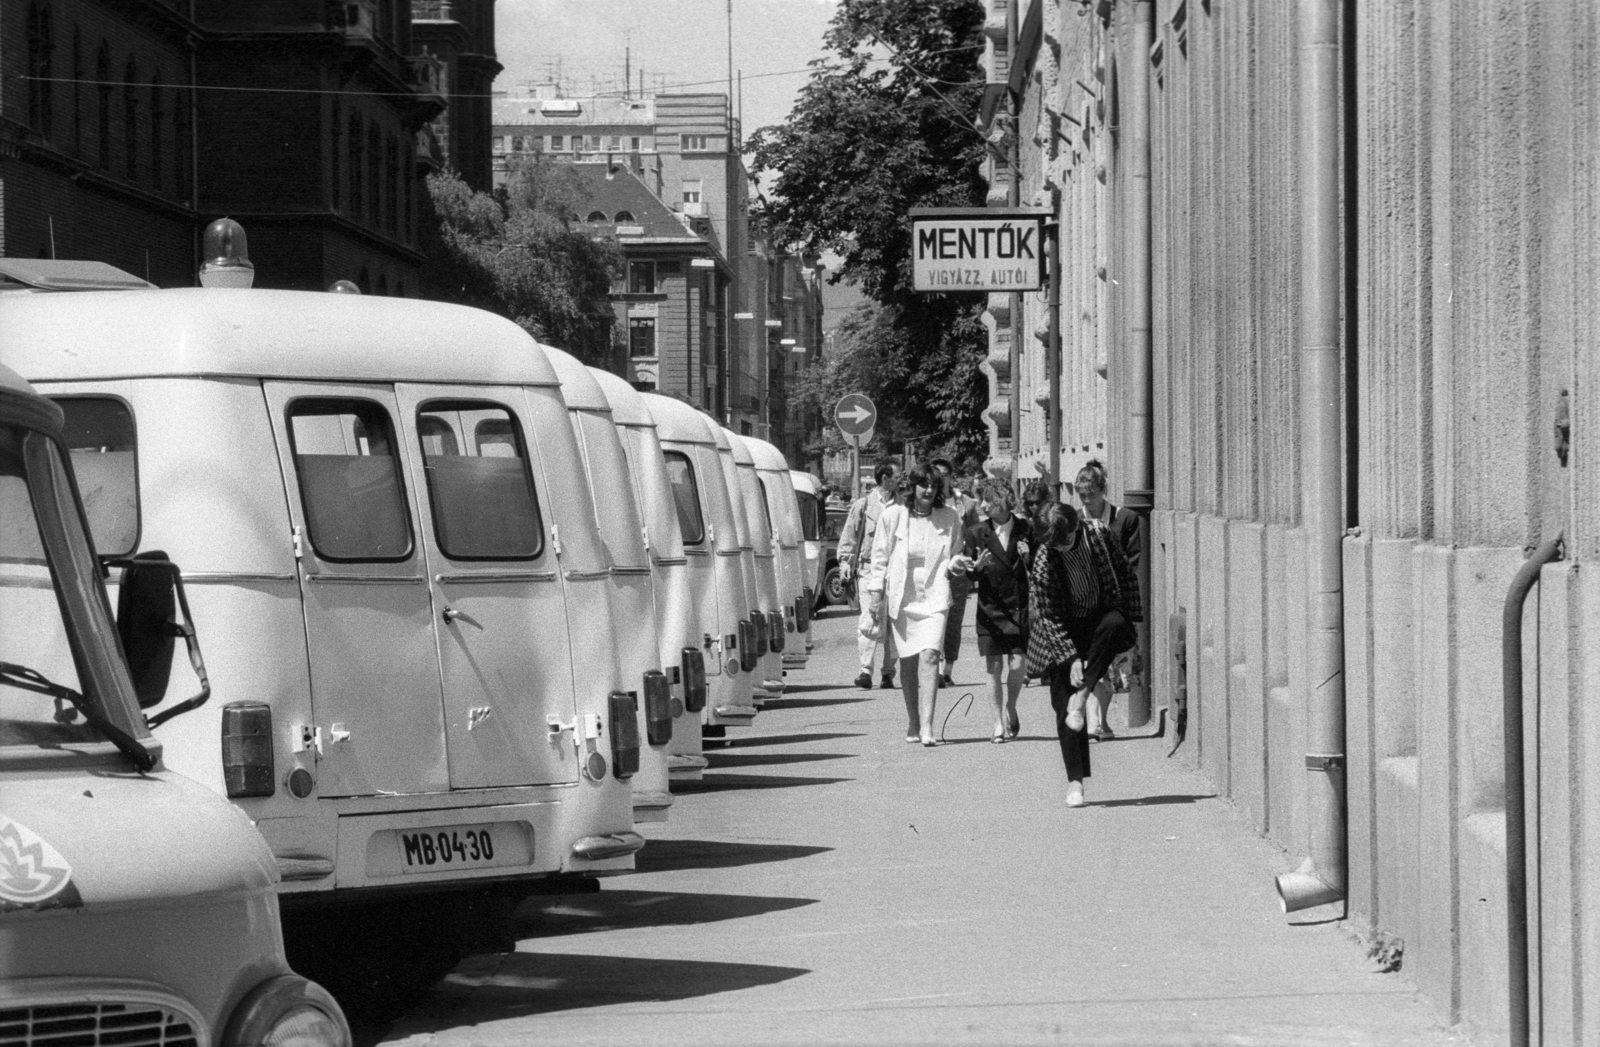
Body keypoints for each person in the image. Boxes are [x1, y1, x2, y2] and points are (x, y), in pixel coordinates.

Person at [1025, 502, 1141, 806]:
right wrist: (1070, 657)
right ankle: (1075, 782)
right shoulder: (1044, 559)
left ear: (1076, 526)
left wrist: (1131, 618)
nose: (1060, 550)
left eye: (1064, 543)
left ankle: (1085, 693)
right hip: (1064, 625)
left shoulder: (1099, 534)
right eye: (1053, 546)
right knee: (1064, 701)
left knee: (1115, 624)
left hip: (1102, 616)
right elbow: (1048, 615)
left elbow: (1124, 572)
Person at [860, 465, 975, 746]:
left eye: (933, 486)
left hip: (935, 594)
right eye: (923, 485)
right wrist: (875, 596)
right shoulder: (892, 516)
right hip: (903, 594)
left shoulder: (949, 517)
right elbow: (879, 559)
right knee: (909, 662)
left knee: (931, 657)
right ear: (912, 487)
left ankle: (927, 725)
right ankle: (913, 719)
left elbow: (954, 555)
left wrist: (959, 564)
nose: (928, 490)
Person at [1073, 459, 1142, 740]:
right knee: (1091, 660)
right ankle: (1094, 721)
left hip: (1116, 604)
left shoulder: (1124, 519)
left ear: (1103, 491)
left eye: (1091, 494)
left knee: (1112, 664)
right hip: (1085, 605)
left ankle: (1101, 717)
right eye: (1081, 495)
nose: (1086, 501)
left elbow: (1134, 563)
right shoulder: (1075, 520)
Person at [965, 477, 1030, 742]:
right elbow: (970, 575)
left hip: (1018, 608)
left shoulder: (1026, 529)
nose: (982, 505)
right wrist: (977, 568)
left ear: (1002, 501)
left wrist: (1030, 556)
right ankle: (997, 723)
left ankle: (1011, 706)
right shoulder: (977, 533)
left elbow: (1042, 566)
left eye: (987, 500)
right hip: (990, 609)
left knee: (1019, 665)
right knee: (993, 667)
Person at [838, 462, 902, 689]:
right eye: (897, 475)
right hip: (867, 569)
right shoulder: (864, 504)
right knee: (870, 617)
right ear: (885, 478)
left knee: (893, 621)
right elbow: (849, 535)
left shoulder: (903, 505)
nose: (901, 479)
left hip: (896, 571)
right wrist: (845, 561)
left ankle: (888, 673)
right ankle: (865, 670)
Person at [931, 458, 980, 687]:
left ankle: (948, 668)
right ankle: (935, 668)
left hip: (959, 570)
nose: (941, 479)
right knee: (935, 618)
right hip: (934, 569)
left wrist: (972, 563)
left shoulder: (965, 503)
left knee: (954, 622)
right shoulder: (927, 502)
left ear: (951, 477)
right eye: (936, 475)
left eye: (945, 475)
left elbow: (975, 534)